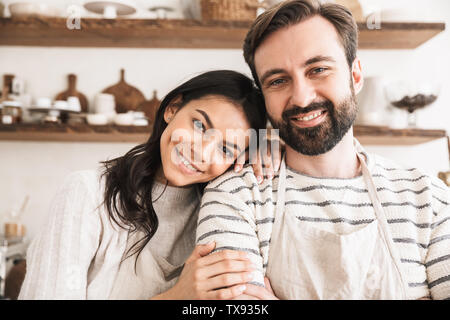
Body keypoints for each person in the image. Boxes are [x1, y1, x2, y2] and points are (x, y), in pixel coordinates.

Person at [196, 0, 450, 300]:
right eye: (278, 81)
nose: (301, 98)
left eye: (318, 69)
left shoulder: (427, 198)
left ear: (355, 76)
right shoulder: (236, 194)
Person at [18, 70, 279, 300]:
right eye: (199, 125)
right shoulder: (86, 193)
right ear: (173, 109)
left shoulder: (220, 215)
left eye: (224, 148)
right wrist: (177, 297)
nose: (201, 152)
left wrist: (273, 147)